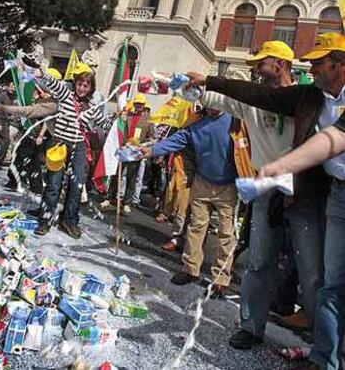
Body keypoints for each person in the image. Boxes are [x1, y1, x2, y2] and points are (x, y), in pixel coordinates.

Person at [187, 38, 329, 350]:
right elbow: (216, 98)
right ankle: (251, 326)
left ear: (280, 64)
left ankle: (322, 345)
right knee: (259, 260)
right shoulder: (253, 98)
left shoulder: (308, 98)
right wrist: (187, 87)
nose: (255, 69)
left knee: (311, 269)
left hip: (304, 192)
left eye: (261, 62)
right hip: (266, 189)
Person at [258, 34, 345, 370]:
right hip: (337, 195)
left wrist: (282, 165)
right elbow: (261, 94)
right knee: (331, 284)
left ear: (339, 64)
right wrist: (209, 80)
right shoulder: (314, 96)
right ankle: (325, 358)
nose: (312, 68)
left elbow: (334, 138)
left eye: (319, 62)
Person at [141, 108, 254, 298]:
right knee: (196, 226)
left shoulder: (236, 120)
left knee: (226, 233)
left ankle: (220, 279)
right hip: (202, 181)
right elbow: (176, 140)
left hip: (229, 186)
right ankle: (190, 270)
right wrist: (151, 150)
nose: (213, 106)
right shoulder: (196, 122)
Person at [33, 63, 113, 239]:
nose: (82, 88)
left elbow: (104, 123)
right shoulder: (66, 95)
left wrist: (119, 119)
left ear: (91, 87)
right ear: (75, 83)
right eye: (79, 84)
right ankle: (45, 220)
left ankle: (69, 221)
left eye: (86, 85)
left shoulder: (91, 106)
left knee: (76, 186)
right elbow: (53, 83)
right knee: (54, 184)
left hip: (79, 146)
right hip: (60, 143)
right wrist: (42, 72)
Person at [0, 85, 58, 193]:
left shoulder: (46, 105)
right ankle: (32, 186)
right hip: (29, 134)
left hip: (36, 136)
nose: (33, 95)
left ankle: (26, 184)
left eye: (35, 92)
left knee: (25, 159)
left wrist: (40, 136)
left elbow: (46, 123)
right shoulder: (36, 103)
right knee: (31, 161)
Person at [100, 94, 155, 215]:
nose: (138, 106)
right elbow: (119, 128)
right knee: (117, 175)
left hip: (136, 152)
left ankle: (127, 203)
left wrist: (142, 145)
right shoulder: (127, 116)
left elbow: (153, 138)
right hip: (124, 149)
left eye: (140, 105)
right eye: (136, 104)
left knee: (132, 178)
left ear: (144, 106)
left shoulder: (149, 120)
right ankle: (110, 197)